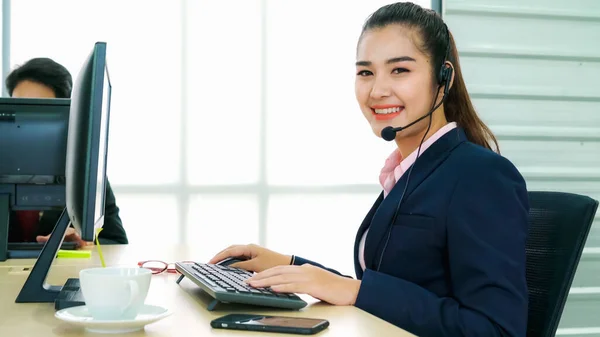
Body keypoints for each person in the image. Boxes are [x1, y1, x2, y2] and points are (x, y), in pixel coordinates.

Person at [209, 2, 529, 337]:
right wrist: (289, 265)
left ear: (443, 78)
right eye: (365, 72)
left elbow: (496, 329)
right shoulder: (407, 173)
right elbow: (390, 289)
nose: (377, 90)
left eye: (399, 70)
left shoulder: (481, 176)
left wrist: (356, 291)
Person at [5, 57, 128, 246]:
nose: (25, 119)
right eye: (18, 107)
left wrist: (85, 242)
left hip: (57, 273)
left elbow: (117, 242)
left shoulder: (86, 175)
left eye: (38, 110)